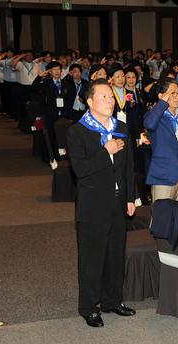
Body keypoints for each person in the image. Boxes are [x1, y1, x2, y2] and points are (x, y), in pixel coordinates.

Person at [66, 79, 136, 328]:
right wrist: (105, 151)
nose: (110, 101)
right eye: (104, 97)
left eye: (111, 97)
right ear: (90, 101)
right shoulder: (78, 131)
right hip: (93, 205)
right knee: (92, 258)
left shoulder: (121, 127)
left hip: (118, 202)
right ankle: (89, 306)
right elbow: (80, 170)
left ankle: (112, 300)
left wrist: (130, 196)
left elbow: (129, 166)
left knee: (116, 255)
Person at [143, 77, 178, 204]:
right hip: (163, 176)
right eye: (172, 93)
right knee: (162, 219)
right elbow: (149, 124)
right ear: (161, 96)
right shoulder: (155, 116)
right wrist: (162, 103)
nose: (177, 96)